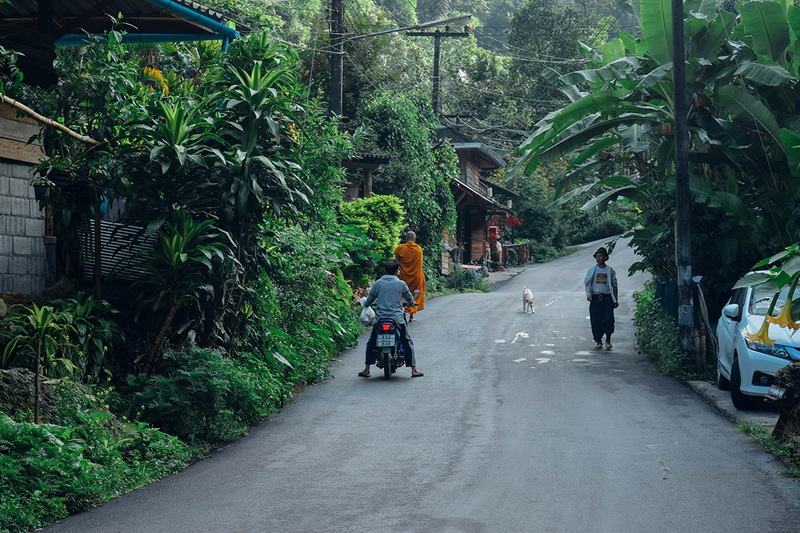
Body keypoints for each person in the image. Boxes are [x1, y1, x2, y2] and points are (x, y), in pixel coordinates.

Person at [359, 259, 424, 378]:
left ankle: (367, 369)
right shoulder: (401, 284)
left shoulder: (378, 284)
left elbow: (370, 300)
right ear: (397, 271)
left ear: (385, 270)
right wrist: (411, 304)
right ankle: (414, 369)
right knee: (406, 341)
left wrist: (366, 305)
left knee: (372, 342)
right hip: (397, 319)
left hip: (380, 319)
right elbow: (409, 299)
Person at [584, 246, 618, 350]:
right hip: (595, 298)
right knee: (596, 320)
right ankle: (598, 341)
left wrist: (615, 299)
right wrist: (589, 294)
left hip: (607, 298)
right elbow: (587, 283)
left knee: (608, 319)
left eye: (601, 256)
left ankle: (608, 340)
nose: (599, 258)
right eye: (597, 256)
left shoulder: (610, 270)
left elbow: (614, 285)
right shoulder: (592, 270)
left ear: (605, 258)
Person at [394, 231, 426, 322]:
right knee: (415, 294)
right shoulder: (418, 249)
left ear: (406, 239)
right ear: (414, 239)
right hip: (416, 278)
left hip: (404, 277)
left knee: (403, 294)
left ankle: (403, 311)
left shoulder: (400, 248)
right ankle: (411, 316)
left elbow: (396, 260)